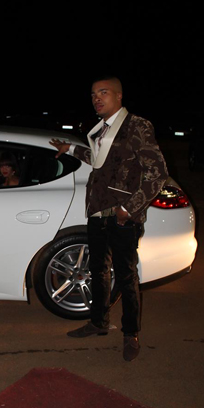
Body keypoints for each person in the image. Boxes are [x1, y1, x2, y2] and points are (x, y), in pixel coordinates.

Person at [49, 76, 168, 362]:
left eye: (103, 93)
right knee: (98, 271)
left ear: (118, 96)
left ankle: (130, 334)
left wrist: (129, 209)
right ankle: (98, 322)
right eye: (93, 94)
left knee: (126, 276)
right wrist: (70, 150)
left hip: (121, 215)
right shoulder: (102, 129)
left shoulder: (136, 126)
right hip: (97, 211)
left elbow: (158, 173)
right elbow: (99, 159)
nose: (96, 99)